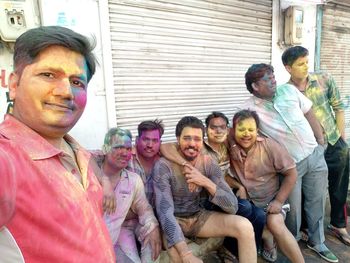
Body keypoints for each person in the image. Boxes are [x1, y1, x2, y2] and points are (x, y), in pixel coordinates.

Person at [0, 26, 115, 262]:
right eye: (48, 75)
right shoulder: (6, 158)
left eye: (77, 82)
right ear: (14, 85)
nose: (66, 92)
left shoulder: (78, 153)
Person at [237, 63, 338, 262]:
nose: (274, 80)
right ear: (255, 86)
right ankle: (292, 241)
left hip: (314, 154)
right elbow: (239, 132)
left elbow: (309, 111)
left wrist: (320, 140)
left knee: (317, 200)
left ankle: (317, 242)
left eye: (273, 75)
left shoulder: (289, 90)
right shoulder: (247, 108)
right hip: (290, 165)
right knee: (292, 208)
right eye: (267, 78)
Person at [160, 112, 266, 260]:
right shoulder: (164, 166)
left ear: (202, 141)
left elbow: (232, 206)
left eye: (197, 139)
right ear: (178, 139)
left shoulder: (208, 162)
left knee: (245, 226)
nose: (192, 144)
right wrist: (186, 254)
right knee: (179, 258)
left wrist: (205, 182)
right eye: (186, 138)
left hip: (198, 217)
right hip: (174, 220)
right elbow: (164, 212)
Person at [282, 46, 350, 247]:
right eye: (300, 64)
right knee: (309, 190)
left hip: (332, 141)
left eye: (306, 62)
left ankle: (338, 225)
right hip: (308, 148)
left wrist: (340, 139)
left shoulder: (323, 79)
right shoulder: (286, 91)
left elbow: (338, 107)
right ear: (288, 68)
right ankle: (306, 228)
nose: (305, 67)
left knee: (339, 186)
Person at [228, 109, 304, 263]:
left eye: (251, 130)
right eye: (241, 130)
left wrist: (279, 201)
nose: (246, 134)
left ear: (258, 130)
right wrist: (233, 145)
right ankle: (267, 238)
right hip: (248, 203)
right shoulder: (230, 145)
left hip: (270, 202)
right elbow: (222, 135)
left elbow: (292, 174)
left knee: (275, 223)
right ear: (233, 131)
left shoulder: (270, 146)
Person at [94, 128, 161, 262]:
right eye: (118, 147)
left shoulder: (133, 180)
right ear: (105, 149)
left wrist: (153, 227)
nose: (125, 153)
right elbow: (77, 151)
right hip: (87, 245)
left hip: (114, 241)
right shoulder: (88, 174)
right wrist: (104, 180)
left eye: (128, 148)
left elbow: (144, 208)